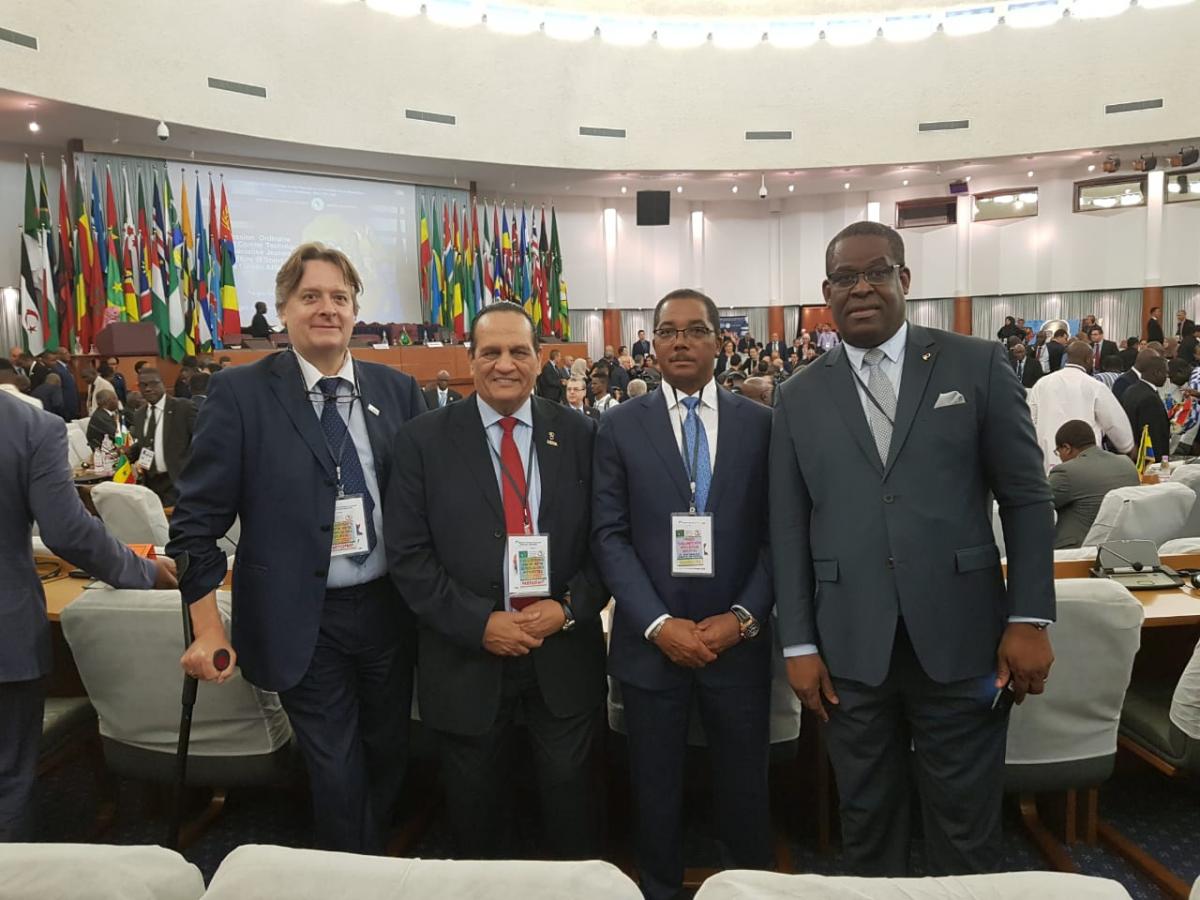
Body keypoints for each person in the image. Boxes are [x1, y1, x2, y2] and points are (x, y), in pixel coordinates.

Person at [771, 221, 1055, 877]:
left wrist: (1030, 616)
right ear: (826, 292)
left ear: (905, 280)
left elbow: (1026, 498)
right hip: (847, 648)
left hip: (963, 636)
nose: (861, 287)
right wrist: (798, 645)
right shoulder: (799, 394)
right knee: (867, 823)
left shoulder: (976, 364)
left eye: (876, 272)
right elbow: (787, 527)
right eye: (845, 277)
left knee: (965, 822)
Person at [169, 242, 424, 853]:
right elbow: (195, 525)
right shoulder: (241, 394)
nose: (327, 308)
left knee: (389, 751)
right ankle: (358, 880)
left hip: (390, 609)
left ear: (356, 309)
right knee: (335, 765)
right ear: (283, 308)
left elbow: (424, 505)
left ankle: (366, 857)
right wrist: (206, 628)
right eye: (311, 296)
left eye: (340, 296)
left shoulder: (397, 391)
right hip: (298, 616)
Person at [386, 301, 608, 859]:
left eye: (519, 351)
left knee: (571, 821)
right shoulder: (421, 441)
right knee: (477, 828)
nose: (505, 363)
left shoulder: (582, 435)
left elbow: (609, 542)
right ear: (471, 360)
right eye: (491, 352)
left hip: (563, 658)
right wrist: (478, 623)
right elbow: (409, 556)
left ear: (539, 361)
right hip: (466, 662)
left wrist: (570, 607)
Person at [593, 289, 774, 900]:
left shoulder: (761, 424)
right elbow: (608, 536)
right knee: (654, 792)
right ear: (651, 343)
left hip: (738, 644)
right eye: (667, 330)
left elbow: (779, 536)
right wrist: (654, 623)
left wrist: (745, 617)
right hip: (651, 646)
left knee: (745, 792)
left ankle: (747, 890)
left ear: (719, 342)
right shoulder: (617, 424)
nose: (679, 341)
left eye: (695, 330)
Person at [0, 386, 176, 841]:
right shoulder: (29, 426)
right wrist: (144, 572)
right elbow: (68, 532)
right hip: (6, 639)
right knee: (6, 789)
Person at [1028, 341, 1135, 472]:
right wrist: (1127, 447)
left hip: (1047, 458)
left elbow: (1030, 420)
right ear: (1089, 359)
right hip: (1086, 463)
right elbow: (1115, 423)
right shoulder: (1095, 386)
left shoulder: (1042, 384)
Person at [1047, 420, 1141, 549]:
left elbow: (1036, 503)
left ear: (1067, 448)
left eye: (1058, 452)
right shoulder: (1127, 464)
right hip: (1123, 548)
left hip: (1076, 553)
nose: (1060, 457)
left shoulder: (1066, 472)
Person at [128, 367, 198, 506]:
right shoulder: (139, 415)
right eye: (143, 385)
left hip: (178, 482)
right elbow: (148, 442)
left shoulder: (183, 408)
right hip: (151, 484)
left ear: (163, 383)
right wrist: (128, 453)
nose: (148, 389)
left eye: (153, 383)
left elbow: (201, 441)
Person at [1119, 352, 1170, 461]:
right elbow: (1154, 435)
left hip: (1131, 452)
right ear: (1157, 372)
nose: (1167, 377)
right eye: (1165, 373)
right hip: (1148, 460)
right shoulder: (1150, 399)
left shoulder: (1130, 390)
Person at [55, 349, 82, 416]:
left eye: (68, 353)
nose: (68, 355)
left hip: (73, 406)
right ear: (58, 355)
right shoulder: (57, 369)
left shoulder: (66, 368)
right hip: (66, 408)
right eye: (65, 353)